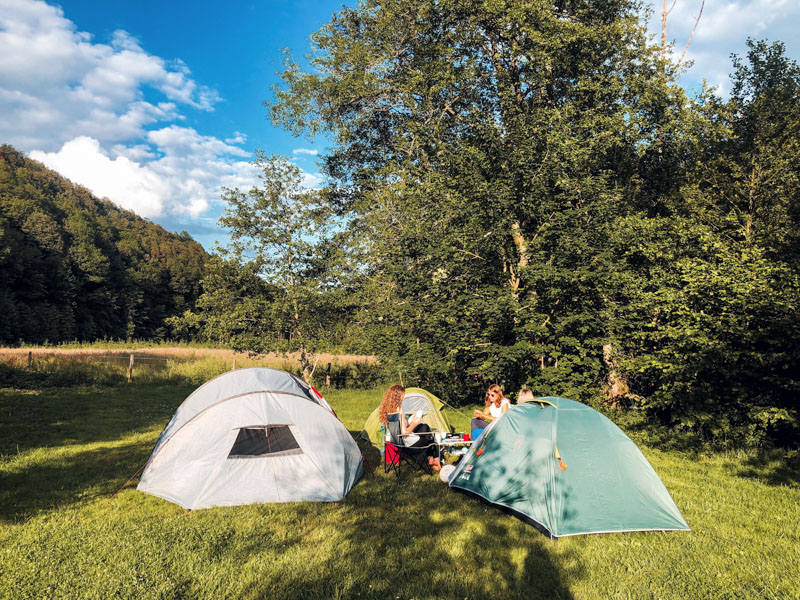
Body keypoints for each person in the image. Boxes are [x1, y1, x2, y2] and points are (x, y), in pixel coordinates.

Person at [378, 384, 441, 471]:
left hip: (398, 443)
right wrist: (415, 423)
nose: (403, 398)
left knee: (424, 427)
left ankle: (431, 459)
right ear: (396, 397)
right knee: (430, 438)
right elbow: (405, 434)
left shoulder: (388, 409)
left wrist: (409, 421)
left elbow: (399, 428)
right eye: (402, 396)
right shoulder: (399, 408)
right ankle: (435, 460)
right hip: (409, 446)